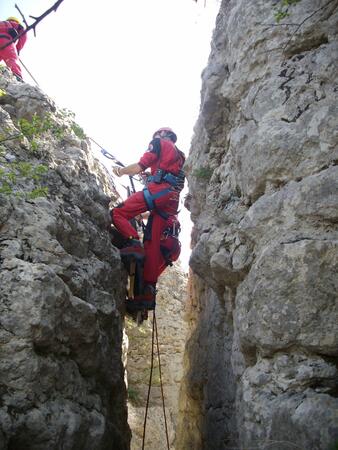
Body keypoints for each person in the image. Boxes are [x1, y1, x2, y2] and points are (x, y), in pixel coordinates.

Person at [111, 127, 185, 311]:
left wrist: (120, 171)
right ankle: (145, 296)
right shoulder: (179, 157)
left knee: (117, 214)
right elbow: (168, 175)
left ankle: (133, 242)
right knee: (151, 245)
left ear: (160, 136)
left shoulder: (159, 143)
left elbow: (138, 166)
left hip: (158, 193)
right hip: (170, 201)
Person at [0, 17, 27, 81]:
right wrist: (17, 49)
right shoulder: (14, 24)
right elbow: (23, 35)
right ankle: (17, 76)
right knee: (11, 59)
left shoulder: (1, 23)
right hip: (5, 40)